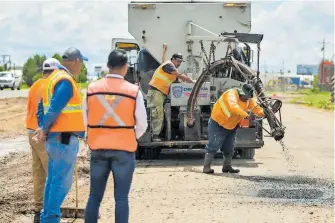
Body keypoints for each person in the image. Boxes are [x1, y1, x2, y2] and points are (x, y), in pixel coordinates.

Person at [84, 49, 148, 223]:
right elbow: (142, 124)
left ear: (107, 66)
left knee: (94, 196)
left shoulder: (91, 89)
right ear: (126, 67)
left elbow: (85, 119)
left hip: (98, 148)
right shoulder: (134, 91)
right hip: (124, 151)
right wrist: (129, 135)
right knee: (121, 198)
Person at [33, 47, 88, 222]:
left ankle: (47, 217)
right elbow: (54, 108)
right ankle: (50, 218)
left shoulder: (52, 78)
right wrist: (44, 129)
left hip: (56, 139)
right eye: (82, 62)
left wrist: (43, 127)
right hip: (62, 139)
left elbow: (43, 107)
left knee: (53, 181)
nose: (82, 67)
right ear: (77, 61)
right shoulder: (65, 80)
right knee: (60, 183)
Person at [26, 58, 61, 222]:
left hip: (30, 131)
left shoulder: (35, 85)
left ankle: (38, 207)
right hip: (43, 133)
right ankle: (51, 211)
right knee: (53, 172)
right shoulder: (52, 85)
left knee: (38, 171)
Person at [203, 84, 265, 174]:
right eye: (245, 97)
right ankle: (206, 167)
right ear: (241, 93)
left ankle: (227, 167)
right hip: (218, 124)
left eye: (248, 98)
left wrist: (264, 113)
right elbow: (233, 107)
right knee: (213, 145)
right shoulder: (231, 94)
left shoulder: (248, 99)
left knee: (229, 148)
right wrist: (246, 115)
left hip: (231, 126)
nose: (247, 99)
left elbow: (257, 109)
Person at [147, 53, 193, 142]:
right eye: (178, 61)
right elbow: (180, 76)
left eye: (180, 62)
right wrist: (192, 81)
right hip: (156, 92)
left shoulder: (172, 71)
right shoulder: (168, 65)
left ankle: (158, 135)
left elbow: (178, 82)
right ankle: (154, 136)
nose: (179, 63)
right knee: (157, 113)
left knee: (160, 114)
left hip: (160, 94)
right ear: (173, 59)